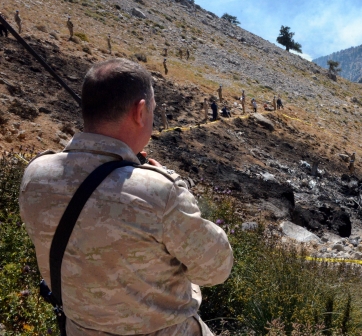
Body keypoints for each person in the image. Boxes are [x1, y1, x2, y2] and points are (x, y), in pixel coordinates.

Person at [19, 58, 233, 336]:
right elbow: (216, 269)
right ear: (140, 111)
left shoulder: (35, 175)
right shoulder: (160, 192)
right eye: (153, 110)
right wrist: (178, 192)